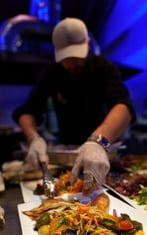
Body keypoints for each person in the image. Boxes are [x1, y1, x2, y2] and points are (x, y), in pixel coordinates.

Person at [12, 17, 136, 195]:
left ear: (88, 43)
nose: (72, 63)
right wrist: (33, 139)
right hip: (66, 154)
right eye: (66, 57)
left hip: (102, 154)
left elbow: (123, 106)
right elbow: (27, 110)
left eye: (77, 55)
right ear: (56, 51)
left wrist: (97, 143)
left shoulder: (104, 68)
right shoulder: (50, 73)